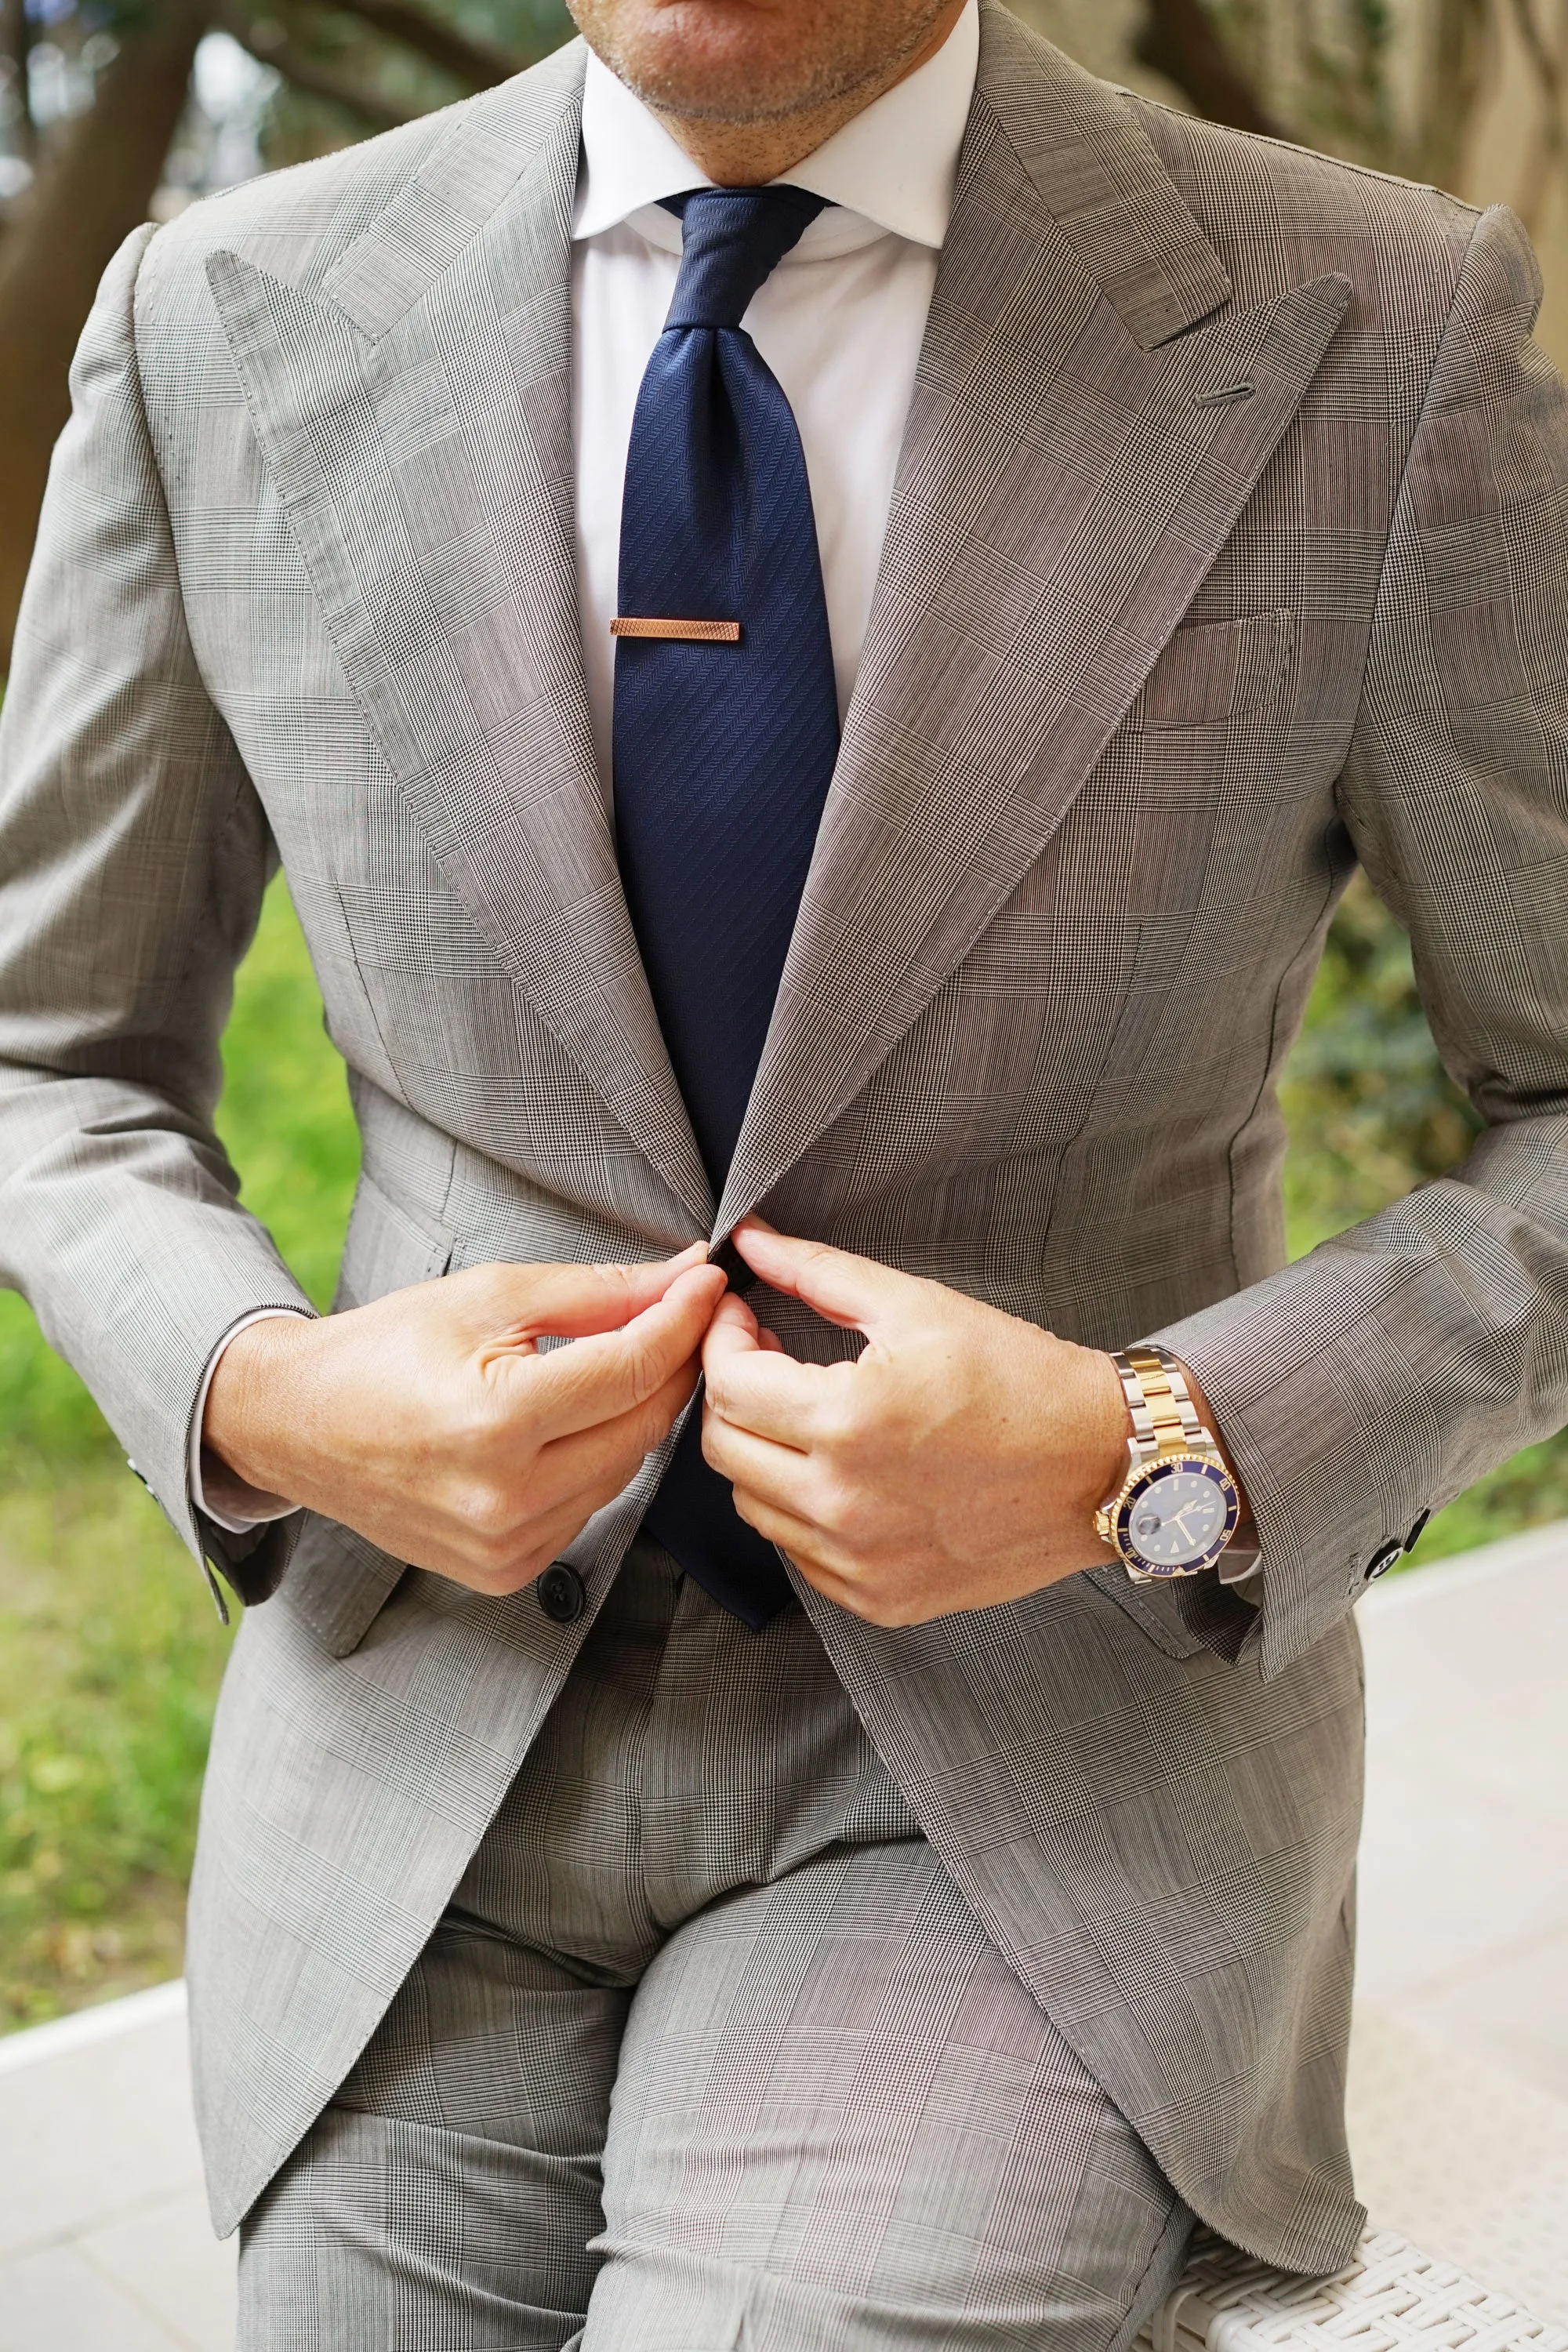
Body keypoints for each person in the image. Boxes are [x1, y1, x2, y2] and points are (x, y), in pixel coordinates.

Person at [2, 0, 1567, 2338]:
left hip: (1034, 1769)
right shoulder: (210, 324)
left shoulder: (1380, 329)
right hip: (415, 1754)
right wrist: (262, 1394)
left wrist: (1162, 1443)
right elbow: (50, 1061)